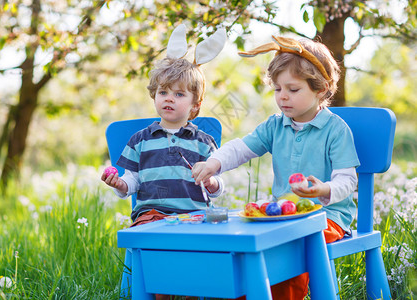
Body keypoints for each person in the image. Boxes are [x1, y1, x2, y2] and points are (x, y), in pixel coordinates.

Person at [192, 36, 360, 300]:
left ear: (321, 89)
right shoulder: (275, 125)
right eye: (277, 89)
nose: (283, 97)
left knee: (293, 245)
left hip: (327, 218)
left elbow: (348, 180)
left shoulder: (336, 130)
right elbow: (242, 147)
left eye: (293, 90)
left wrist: (324, 189)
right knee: (248, 240)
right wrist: (214, 162)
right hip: (283, 215)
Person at [102, 25, 227, 228]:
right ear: (154, 94)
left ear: (195, 105)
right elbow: (133, 180)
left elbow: (219, 186)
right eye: (163, 92)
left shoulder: (204, 142)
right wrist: (121, 185)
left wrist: (211, 183)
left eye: (179, 94)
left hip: (195, 216)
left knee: (209, 237)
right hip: (152, 215)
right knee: (148, 235)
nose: (169, 98)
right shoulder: (140, 140)